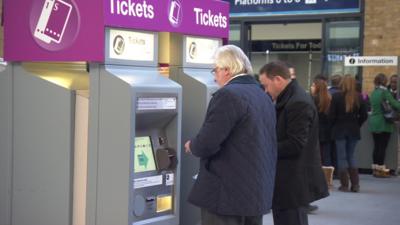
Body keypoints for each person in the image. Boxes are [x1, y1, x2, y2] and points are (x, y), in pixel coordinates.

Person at [184, 45, 277, 225]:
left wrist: (192, 145)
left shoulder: (227, 95)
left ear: (227, 70)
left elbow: (208, 142)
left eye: (215, 70)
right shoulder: (261, 95)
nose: (214, 75)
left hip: (226, 193)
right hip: (256, 190)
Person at [259, 61, 328, 225]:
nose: (265, 91)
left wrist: (263, 148)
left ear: (278, 80)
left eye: (266, 85)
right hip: (288, 179)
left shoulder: (298, 102)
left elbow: (295, 144)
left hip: (293, 181)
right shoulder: (290, 98)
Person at [329, 75, 368, 192]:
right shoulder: (359, 97)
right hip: (354, 130)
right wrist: (357, 124)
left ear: (342, 83)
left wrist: (334, 125)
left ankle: (344, 185)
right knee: (351, 156)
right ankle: (355, 185)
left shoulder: (336, 97)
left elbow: (331, 115)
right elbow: (364, 115)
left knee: (342, 157)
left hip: (339, 129)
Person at [369, 73, 400, 178]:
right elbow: (395, 104)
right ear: (385, 81)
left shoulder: (374, 92)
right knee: (382, 147)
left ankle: (375, 169)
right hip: (384, 123)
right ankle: (381, 170)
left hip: (374, 122)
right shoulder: (385, 92)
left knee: (376, 146)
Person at [310, 76, 334, 188]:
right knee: (327, 155)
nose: (311, 87)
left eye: (313, 85)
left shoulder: (312, 100)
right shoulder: (330, 99)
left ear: (318, 87)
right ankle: (327, 180)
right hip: (327, 131)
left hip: (315, 130)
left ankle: (316, 180)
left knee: (316, 155)